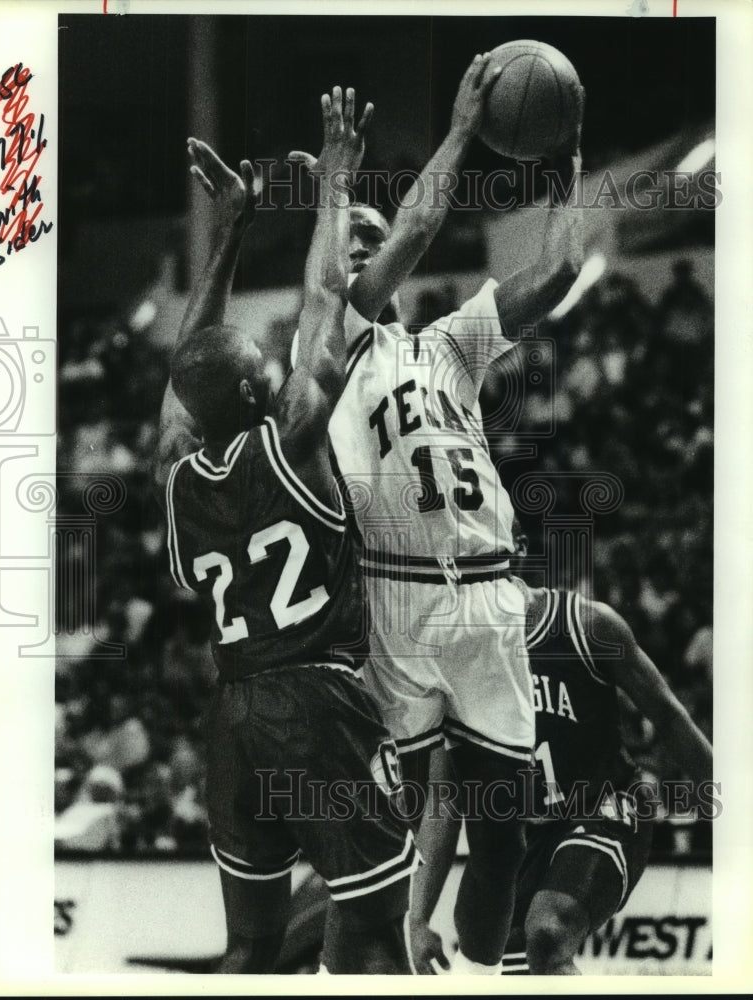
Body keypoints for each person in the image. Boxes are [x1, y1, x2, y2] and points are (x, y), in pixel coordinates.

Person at [289, 51, 585, 972]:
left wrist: (567, 164)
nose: (371, 246)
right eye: (355, 235)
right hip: (400, 605)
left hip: (490, 595)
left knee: (500, 836)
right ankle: (351, 956)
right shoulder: (326, 349)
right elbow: (405, 235)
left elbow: (558, 269)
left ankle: (483, 973)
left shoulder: (447, 347)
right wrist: (458, 132)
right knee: (410, 826)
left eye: (376, 235)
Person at [154, 88, 419, 974]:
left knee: (250, 949)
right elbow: (325, 301)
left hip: (232, 716)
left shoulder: (178, 479)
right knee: (378, 934)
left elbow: (181, 387)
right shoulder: (295, 437)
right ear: (254, 393)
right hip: (317, 704)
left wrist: (229, 229)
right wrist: (337, 175)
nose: (275, 368)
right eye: (261, 367)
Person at [409, 526, 714, 975]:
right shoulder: (450, 662)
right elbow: (445, 797)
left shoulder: (587, 626)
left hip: (608, 806)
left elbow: (670, 719)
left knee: (548, 931)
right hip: (520, 841)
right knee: (514, 969)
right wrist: (417, 917)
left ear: (517, 551)